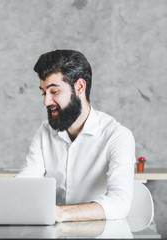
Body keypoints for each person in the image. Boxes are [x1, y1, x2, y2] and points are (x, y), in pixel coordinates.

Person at [16, 50, 135, 222]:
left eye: (54, 92)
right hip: (58, 232)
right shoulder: (45, 131)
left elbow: (119, 202)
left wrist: (61, 213)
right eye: (43, 92)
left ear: (79, 87)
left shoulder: (118, 136)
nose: (46, 102)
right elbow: (27, 180)